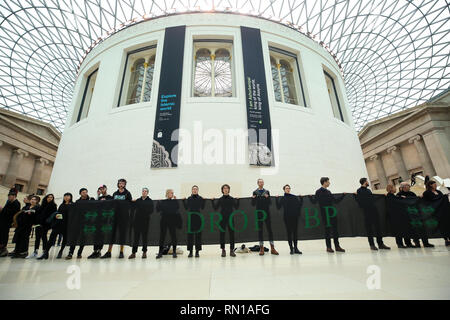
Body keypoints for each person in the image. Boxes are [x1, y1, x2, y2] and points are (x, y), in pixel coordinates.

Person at [310, 177, 346, 253]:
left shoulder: (329, 192)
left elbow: (335, 201)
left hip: (332, 213)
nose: (329, 183)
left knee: (335, 230)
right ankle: (328, 247)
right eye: (328, 182)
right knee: (327, 231)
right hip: (325, 214)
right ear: (324, 182)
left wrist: (343, 195)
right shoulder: (318, 191)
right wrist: (310, 197)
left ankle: (337, 246)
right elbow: (314, 201)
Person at [101, 178, 132, 259]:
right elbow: (111, 204)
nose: (121, 184)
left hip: (123, 217)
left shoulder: (127, 193)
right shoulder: (115, 193)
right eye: (120, 183)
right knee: (112, 234)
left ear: (125, 185)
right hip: (114, 217)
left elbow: (130, 204)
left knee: (122, 234)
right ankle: (109, 252)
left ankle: (121, 252)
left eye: (123, 183)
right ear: (118, 184)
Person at [356, 178, 390, 251]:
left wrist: (382, 195)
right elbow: (360, 201)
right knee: (369, 229)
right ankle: (372, 245)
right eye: (367, 181)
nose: (368, 182)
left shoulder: (368, 190)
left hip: (374, 211)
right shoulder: (359, 190)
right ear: (365, 182)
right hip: (367, 212)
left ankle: (380, 244)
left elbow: (372, 198)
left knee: (378, 227)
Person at [397, 182, 434, 248]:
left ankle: (425, 243)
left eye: (408, 186)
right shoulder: (399, 195)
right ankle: (412, 243)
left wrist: (419, 197)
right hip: (406, 215)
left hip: (415, 214)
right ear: (403, 187)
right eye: (407, 186)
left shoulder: (412, 193)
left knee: (421, 228)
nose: (408, 187)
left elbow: (416, 201)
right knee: (410, 230)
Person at [38, 193, 73, 260]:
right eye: (65, 196)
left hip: (66, 226)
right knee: (51, 239)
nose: (66, 197)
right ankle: (46, 253)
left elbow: (73, 216)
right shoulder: (61, 205)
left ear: (71, 197)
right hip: (58, 224)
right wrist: (57, 216)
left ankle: (61, 251)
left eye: (68, 196)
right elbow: (58, 213)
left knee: (64, 240)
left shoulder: (72, 205)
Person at [251, 179, 278, 256]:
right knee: (260, 230)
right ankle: (261, 248)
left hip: (266, 213)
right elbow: (253, 204)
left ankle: (272, 248)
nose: (261, 183)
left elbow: (270, 203)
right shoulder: (255, 192)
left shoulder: (267, 191)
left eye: (262, 182)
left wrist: (268, 197)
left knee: (269, 230)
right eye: (260, 182)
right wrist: (253, 199)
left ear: (263, 183)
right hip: (259, 213)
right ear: (257, 183)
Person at [66, 188, 94, 259]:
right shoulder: (77, 202)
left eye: (86, 192)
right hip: (78, 223)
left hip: (86, 223)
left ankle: (79, 253)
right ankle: (70, 253)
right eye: (83, 192)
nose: (84, 193)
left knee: (83, 239)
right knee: (74, 238)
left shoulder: (91, 200)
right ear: (80, 193)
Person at [212, 184, 239, 257]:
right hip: (222, 219)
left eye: (227, 188)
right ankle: (223, 250)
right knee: (222, 234)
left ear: (229, 190)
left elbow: (236, 207)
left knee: (232, 235)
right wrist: (212, 201)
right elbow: (215, 208)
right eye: (224, 188)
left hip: (230, 218)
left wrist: (238, 200)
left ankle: (231, 250)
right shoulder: (220, 199)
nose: (226, 189)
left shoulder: (232, 199)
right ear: (222, 190)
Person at [87, 185, 113, 259]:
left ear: (106, 189)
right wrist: (97, 196)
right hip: (98, 218)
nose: (101, 190)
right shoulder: (99, 197)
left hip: (106, 219)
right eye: (100, 189)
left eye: (103, 188)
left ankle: (99, 250)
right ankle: (95, 251)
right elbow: (94, 205)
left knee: (102, 235)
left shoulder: (110, 197)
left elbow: (111, 206)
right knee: (96, 235)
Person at [276, 185, 302, 254]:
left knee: (295, 233)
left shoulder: (294, 197)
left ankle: (296, 248)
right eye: (286, 188)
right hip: (287, 218)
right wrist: (276, 199)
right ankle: (291, 249)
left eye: (289, 188)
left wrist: (301, 198)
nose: (288, 189)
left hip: (294, 217)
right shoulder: (283, 198)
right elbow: (278, 207)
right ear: (284, 190)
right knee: (289, 233)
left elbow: (299, 205)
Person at [28, 194, 57, 259]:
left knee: (44, 237)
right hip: (39, 223)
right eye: (48, 197)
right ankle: (35, 252)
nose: (50, 198)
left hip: (46, 224)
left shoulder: (53, 206)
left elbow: (52, 216)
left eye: (51, 197)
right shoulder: (43, 205)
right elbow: (39, 214)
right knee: (37, 238)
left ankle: (45, 252)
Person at [422, 180, 450, 246]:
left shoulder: (438, 191)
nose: (436, 185)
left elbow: (441, 199)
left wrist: (445, 196)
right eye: (434, 184)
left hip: (443, 211)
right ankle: (446, 239)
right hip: (436, 211)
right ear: (430, 185)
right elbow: (426, 201)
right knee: (442, 225)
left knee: (447, 224)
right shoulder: (426, 193)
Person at [129, 188, 153, 259]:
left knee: (144, 238)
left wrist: (144, 211)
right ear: (141, 192)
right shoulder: (138, 200)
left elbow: (151, 210)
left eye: (145, 191)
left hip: (145, 222)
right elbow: (133, 208)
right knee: (136, 238)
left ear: (147, 193)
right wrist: (132, 202)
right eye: (143, 191)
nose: (144, 192)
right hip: (137, 222)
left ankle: (144, 252)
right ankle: (133, 253)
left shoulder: (150, 201)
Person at [156, 189, 180, 259]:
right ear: (167, 194)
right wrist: (158, 203)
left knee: (173, 236)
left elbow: (177, 208)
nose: (172, 194)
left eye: (173, 193)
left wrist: (176, 201)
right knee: (162, 236)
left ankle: (174, 252)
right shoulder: (163, 202)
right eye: (171, 193)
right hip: (164, 221)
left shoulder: (174, 202)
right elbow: (158, 210)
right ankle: (160, 252)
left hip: (172, 221)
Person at [183, 185, 205, 258]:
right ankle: (190, 252)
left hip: (198, 218)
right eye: (193, 189)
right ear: (191, 190)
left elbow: (202, 207)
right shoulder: (189, 198)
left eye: (196, 189)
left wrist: (204, 201)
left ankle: (197, 252)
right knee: (190, 236)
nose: (195, 190)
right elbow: (186, 207)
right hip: (191, 218)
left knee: (198, 235)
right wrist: (183, 201)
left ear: (197, 190)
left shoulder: (200, 198)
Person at [0, 188, 21, 257]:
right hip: (3, 221)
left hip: (8, 222)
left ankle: (3, 249)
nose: (9, 198)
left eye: (10, 196)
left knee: (4, 235)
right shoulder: (9, 202)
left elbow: (13, 213)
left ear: (14, 196)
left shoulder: (17, 203)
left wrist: (3, 209)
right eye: (8, 196)